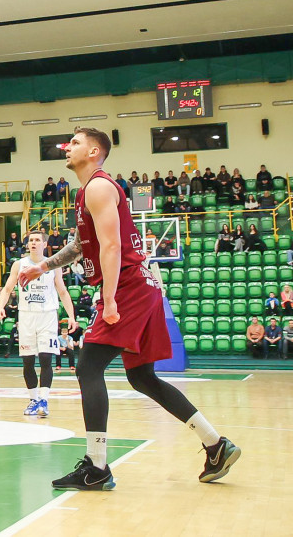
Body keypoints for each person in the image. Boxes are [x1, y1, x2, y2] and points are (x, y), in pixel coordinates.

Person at [18, 127, 239, 490]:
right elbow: (80, 244)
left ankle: (97, 466)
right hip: (142, 287)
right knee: (142, 377)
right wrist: (42, 267)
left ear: (94, 151)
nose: (67, 147)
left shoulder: (99, 186)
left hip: (128, 286)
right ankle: (216, 444)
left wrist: (109, 300)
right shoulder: (87, 192)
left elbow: (110, 247)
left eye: (74, 142)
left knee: (88, 366)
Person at [0, 230, 77, 418]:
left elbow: (63, 292)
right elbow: (8, 288)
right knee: (27, 361)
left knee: (46, 359)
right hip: (26, 316)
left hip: (47, 315)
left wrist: (71, 316)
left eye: (37, 240)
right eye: (30, 240)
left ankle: (44, 400)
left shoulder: (53, 264)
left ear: (44, 244)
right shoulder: (19, 264)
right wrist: (1, 307)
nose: (33, 243)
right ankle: (33, 399)